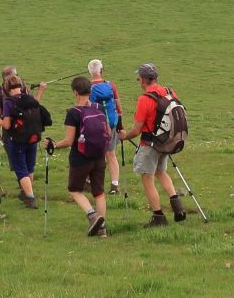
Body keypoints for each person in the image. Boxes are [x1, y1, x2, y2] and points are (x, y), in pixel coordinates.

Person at [117, 63, 187, 227]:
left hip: (150, 144)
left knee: (147, 178)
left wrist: (124, 136)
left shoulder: (145, 99)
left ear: (142, 80)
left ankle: (158, 217)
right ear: (155, 78)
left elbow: (137, 129)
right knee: (161, 172)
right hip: (167, 141)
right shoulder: (169, 92)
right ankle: (178, 208)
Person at [47, 77, 111, 237]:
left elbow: (69, 141)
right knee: (99, 192)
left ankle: (92, 215)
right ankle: (102, 230)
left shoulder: (73, 113)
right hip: (99, 156)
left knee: (75, 190)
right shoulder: (99, 108)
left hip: (80, 158)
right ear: (90, 91)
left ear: (75, 92)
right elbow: (108, 132)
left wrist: (53, 145)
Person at [0, 75, 47, 209]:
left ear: (6, 88)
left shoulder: (9, 102)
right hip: (33, 138)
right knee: (29, 168)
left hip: (17, 140)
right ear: (21, 86)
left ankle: (30, 197)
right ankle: (27, 193)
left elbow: (6, 125)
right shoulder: (29, 98)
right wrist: (40, 91)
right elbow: (36, 104)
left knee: (21, 170)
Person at [87, 59, 125, 196]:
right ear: (102, 70)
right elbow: (119, 107)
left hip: (95, 125)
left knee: (94, 154)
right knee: (111, 154)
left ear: (90, 72)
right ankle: (115, 185)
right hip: (112, 123)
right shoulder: (110, 85)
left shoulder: (87, 87)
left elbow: (85, 107)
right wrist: (121, 125)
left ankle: (92, 182)